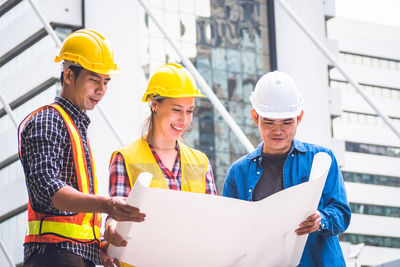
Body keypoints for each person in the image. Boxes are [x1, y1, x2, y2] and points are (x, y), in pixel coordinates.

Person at [18, 29, 145, 267]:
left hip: (72, 255)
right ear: (68, 76)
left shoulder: (76, 127)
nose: (102, 89)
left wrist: (96, 247)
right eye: (94, 80)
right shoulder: (48, 120)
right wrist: (106, 204)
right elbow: (48, 189)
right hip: (53, 254)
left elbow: (75, 216)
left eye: (106, 82)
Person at [222, 71, 351, 266]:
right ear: (255, 117)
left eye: (286, 122)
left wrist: (321, 219)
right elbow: (230, 233)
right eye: (269, 122)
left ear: (299, 117)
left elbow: (342, 213)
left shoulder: (322, 159)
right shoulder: (238, 173)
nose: (278, 130)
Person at [104, 63, 217, 261]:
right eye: (177, 110)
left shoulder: (201, 162)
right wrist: (111, 227)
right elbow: (115, 217)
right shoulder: (125, 158)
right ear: (154, 105)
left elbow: (212, 221)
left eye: (190, 111)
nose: (184, 119)